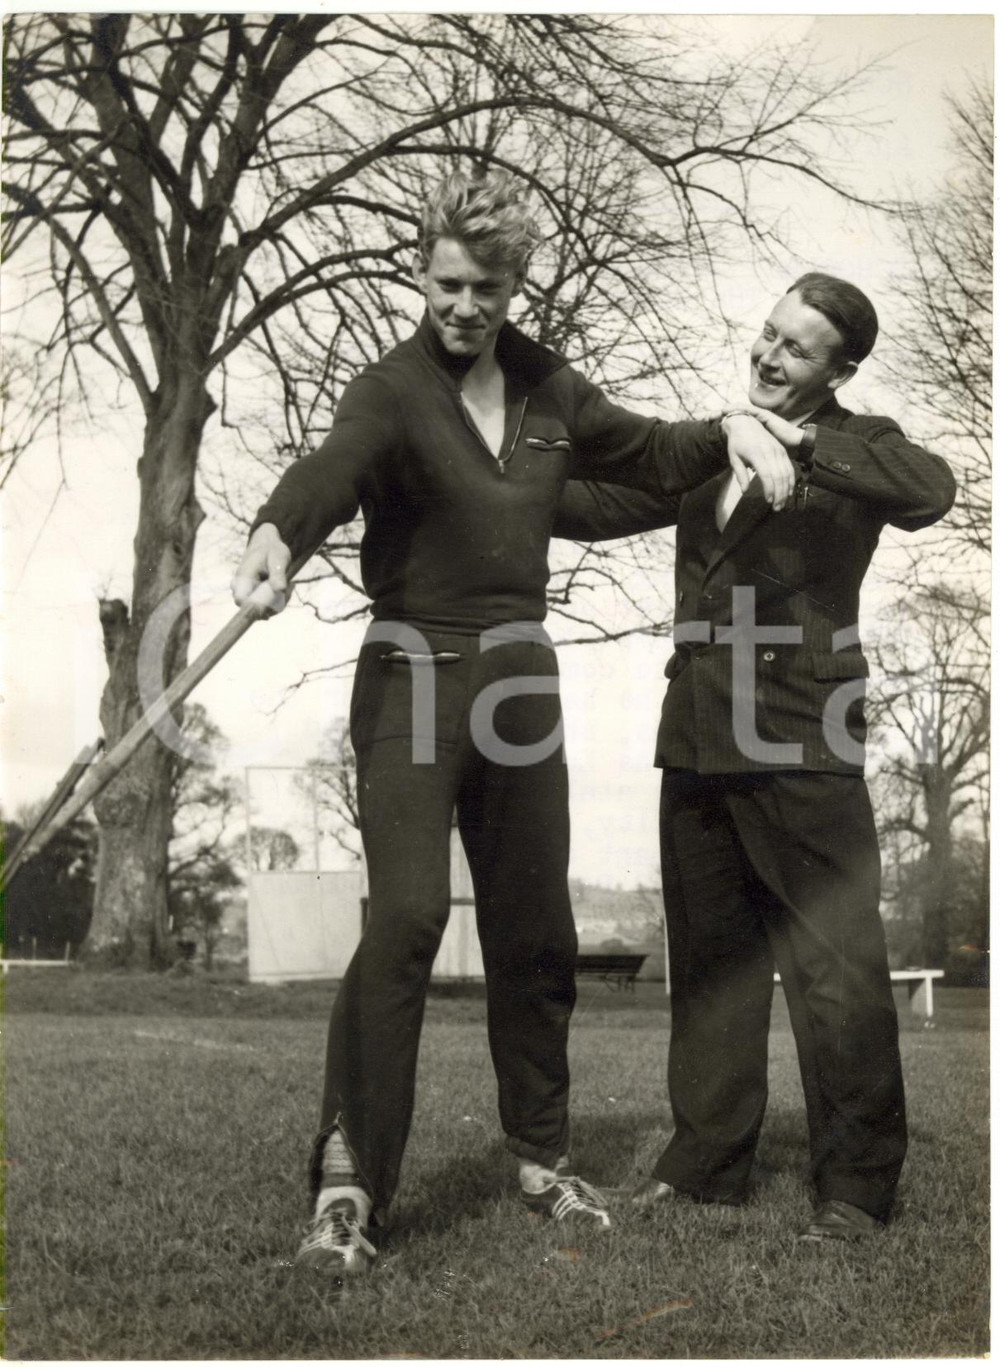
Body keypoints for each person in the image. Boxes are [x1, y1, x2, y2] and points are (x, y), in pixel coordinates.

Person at [231, 170, 795, 1276]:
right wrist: (275, 530)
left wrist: (731, 427)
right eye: (446, 283)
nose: (464, 306)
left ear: (513, 282)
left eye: (486, 286)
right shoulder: (389, 390)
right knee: (401, 922)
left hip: (519, 680)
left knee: (534, 931)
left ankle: (542, 1157)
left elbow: (644, 453)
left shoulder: (547, 387)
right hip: (413, 670)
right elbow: (332, 466)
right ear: (419, 273)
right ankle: (349, 1184)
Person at [553, 273, 956, 1242]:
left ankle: (855, 1185)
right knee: (710, 963)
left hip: (799, 735)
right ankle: (704, 1164)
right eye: (767, 336)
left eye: (797, 349)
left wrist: (804, 446)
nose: (769, 358)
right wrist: (481, 484)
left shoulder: (866, 447)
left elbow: (930, 489)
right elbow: (593, 504)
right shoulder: (712, 450)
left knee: (835, 969)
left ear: (840, 370)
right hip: (695, 734)